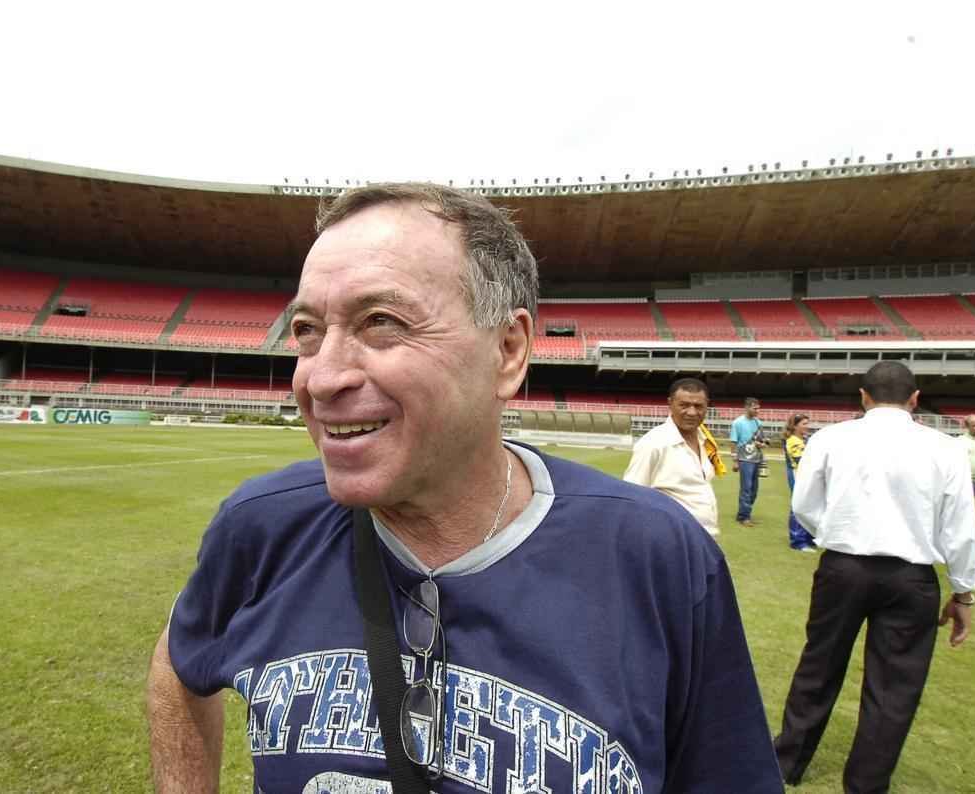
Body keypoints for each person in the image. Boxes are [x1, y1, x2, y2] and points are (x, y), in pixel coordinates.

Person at [146, 183, 784, 793]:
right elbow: (178, 664)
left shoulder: (658, 555)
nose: (320, 378)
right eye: (308, 330)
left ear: (508, 351)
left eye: (381, 321)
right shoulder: (261, 525)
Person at [774, 361, 975, 793]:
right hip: (911, 576)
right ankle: (866, 784)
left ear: (863, 397)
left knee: (819, 665)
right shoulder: (945, 448)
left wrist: (836, 532)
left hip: (843, 566)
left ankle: (786, 762)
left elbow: (805, 504)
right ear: (915, 399)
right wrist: (963, 593)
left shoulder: (830, 438)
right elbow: (960, 527)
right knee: (894, 686)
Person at [623, 377, 725, 537]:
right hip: (672, 539)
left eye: (698, 406)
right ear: (670, 403)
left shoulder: (705, 440)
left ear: (707, 406)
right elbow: (632, 497)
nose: (692, 412)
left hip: (707, 538)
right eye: (684, 405)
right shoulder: (653, 443)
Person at [781, 414, 816, 552]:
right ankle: (797, 541)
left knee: (807, 506)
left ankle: (807, 537)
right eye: (804, 424)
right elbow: (800, 461)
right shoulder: (793, 441)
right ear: (795, 426)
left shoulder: (803, 440)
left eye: (807, 423)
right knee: (798, 506)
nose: (807, 426)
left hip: (804, 476)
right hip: (798, 475)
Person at [730, 397, 766, 526]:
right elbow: (733, 442)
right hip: (744, 459)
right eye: (755, 408)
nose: (757, 411)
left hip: (756, 459)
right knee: (746, 489)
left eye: (758, 408)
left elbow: (762, 440)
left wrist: (762, 444)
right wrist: (735, 461)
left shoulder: (758, 423)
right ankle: (744, 517)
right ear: (747, 407)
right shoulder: (737, 423)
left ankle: (744, 513)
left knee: (754, 490)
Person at [957, 414, 975, 551]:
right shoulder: (961, 441)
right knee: (966, 511)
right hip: (968, 481)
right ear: (967, 426)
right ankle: (963, 540)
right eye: (974, 425)